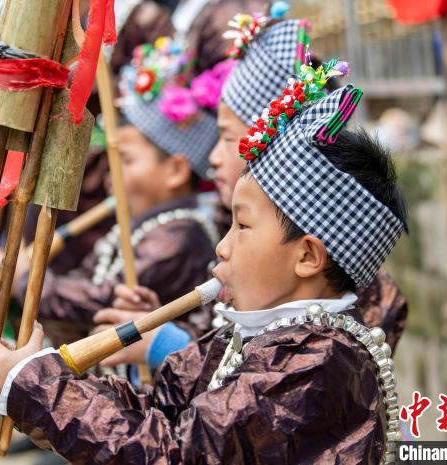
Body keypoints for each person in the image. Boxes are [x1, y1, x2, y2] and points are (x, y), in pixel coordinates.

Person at [0, 51, 408, 464]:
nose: (222, 247)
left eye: (242, 227)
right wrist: (38, 377)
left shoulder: (316, 364)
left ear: (308, 256)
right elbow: (154, 411)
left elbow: (175, 454)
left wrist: (39, 387)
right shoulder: (255, 336)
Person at [94, 9, 408, 369]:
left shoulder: (358, 297)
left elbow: (261, 395)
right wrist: (161, 327)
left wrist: (169, 346)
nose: (211, 155)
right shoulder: (243, 237)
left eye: (226, 136)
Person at [0, 37, 222, 345]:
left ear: (175, 171)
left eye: (127, 160)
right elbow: (85, 281)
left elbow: (105, 301)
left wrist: (26, 281)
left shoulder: (182, 234)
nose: (112, 173)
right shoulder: (145, 225)